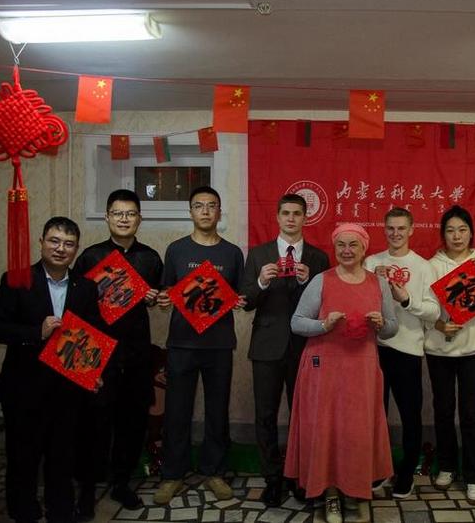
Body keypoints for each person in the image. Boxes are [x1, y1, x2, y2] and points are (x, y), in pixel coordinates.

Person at [0, 217, 101, 523]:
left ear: (76, 249)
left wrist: (93, 371)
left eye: (68, 244)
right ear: (41, 242)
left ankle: (60, 509)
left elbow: (92, 334)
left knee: (62, 456)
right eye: (54, 241)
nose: (61, 249)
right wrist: (36, 332)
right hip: (24, 388)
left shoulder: (86, 287)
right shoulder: (16, 279)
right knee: (22, 457)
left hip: (67, 390)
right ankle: (23, 510)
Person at [285, 223, 397, 523]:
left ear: (364, 249)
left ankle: (357, 492)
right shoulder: (321, 280)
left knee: (357, 433)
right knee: (327, 432)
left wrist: (381, 324)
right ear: (334, 248)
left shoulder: (378, 284)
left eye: (353, 245)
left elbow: (392, 328)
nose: (347, 251)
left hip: (362, 369)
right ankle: (330, 494)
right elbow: (297, 322)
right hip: (325, 370)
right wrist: (323, 325)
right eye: (341, 245)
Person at [72, 189, 163, 517]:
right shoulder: (90, 257)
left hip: (136, 354)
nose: (124, 219)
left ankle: (122, 482)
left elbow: (159, 295)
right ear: (107, 217)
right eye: (118, 213)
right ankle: (86, 489)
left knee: (133, 422)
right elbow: (76, 307)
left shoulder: (150, 258)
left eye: (130, 214)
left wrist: (154, 297)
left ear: (139, 218)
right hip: (98, 354)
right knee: (93, 425)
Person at [153, 186, 245, 505]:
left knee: (217, 410)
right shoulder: (176, 250)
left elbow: (239, 293)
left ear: (219, 212)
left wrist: (240, 300)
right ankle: (172, 474)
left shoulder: (232, 253)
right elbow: (166, 289)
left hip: (219, 344)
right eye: (199, 206)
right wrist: (164, 299)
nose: (205, 211)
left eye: (211, 206)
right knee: (177, 411)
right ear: (190, 211)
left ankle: (214, 471)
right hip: (182, 342)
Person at [240, 193, 329, 507]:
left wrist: (308, 283)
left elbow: (325, 306)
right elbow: (245, 301)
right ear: (277, 217)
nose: (291, 218)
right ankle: (272, 479)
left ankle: (299, 476)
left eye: (297, 213)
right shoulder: (258, 254)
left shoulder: (318, 258)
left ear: (305, 218)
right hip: (266, 345)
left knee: (302, 415)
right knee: (265, 414)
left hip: (305, 346)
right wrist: (261, 282)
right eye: (286, 213)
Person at [422, 205, 475, 505]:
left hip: (473, 350)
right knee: (443, 411)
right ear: (443, 234)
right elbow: (423, 307)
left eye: (462, 230)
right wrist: (439, 324)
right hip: (439, 349)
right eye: (451, 230)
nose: (457, 236)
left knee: (471, 415)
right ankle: (447, 466)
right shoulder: (431, 265)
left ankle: (474, 476)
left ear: (471, 233)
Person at [364, 207, 440, 499]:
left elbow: (434, 312)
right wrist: (373, 284)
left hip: (408, 349)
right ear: (384, 230)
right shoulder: (372, 262)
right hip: (373, 350)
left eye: (401, 228)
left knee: (410, 415)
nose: (395, 233)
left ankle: (407, 472)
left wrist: (407, 300)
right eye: (390, 228)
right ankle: (378, 469)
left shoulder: (424, 266)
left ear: (411, 230)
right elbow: (359, 302)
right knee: (375, 415)